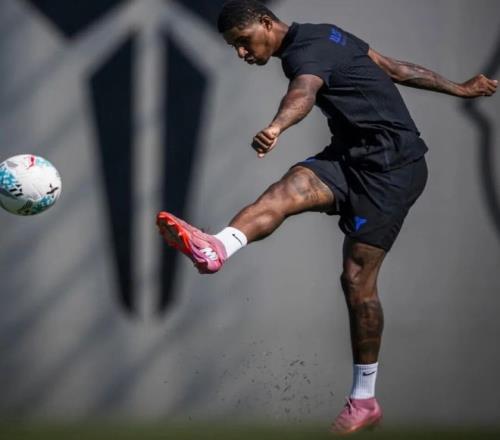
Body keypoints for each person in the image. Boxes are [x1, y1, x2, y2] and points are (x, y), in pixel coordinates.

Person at [156, 0, 498, 435]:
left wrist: (277, 126)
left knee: (356, 281)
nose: (241, 53)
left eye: (242, 41)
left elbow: (303, 93)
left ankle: (364, 399)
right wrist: (459, 89)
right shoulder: (325, 33)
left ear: (265, 23)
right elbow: (393, 68)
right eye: (234, 47)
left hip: (393, 170)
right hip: (349, 158)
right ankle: (217, 248)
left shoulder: (304, 53)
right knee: (286, 190)